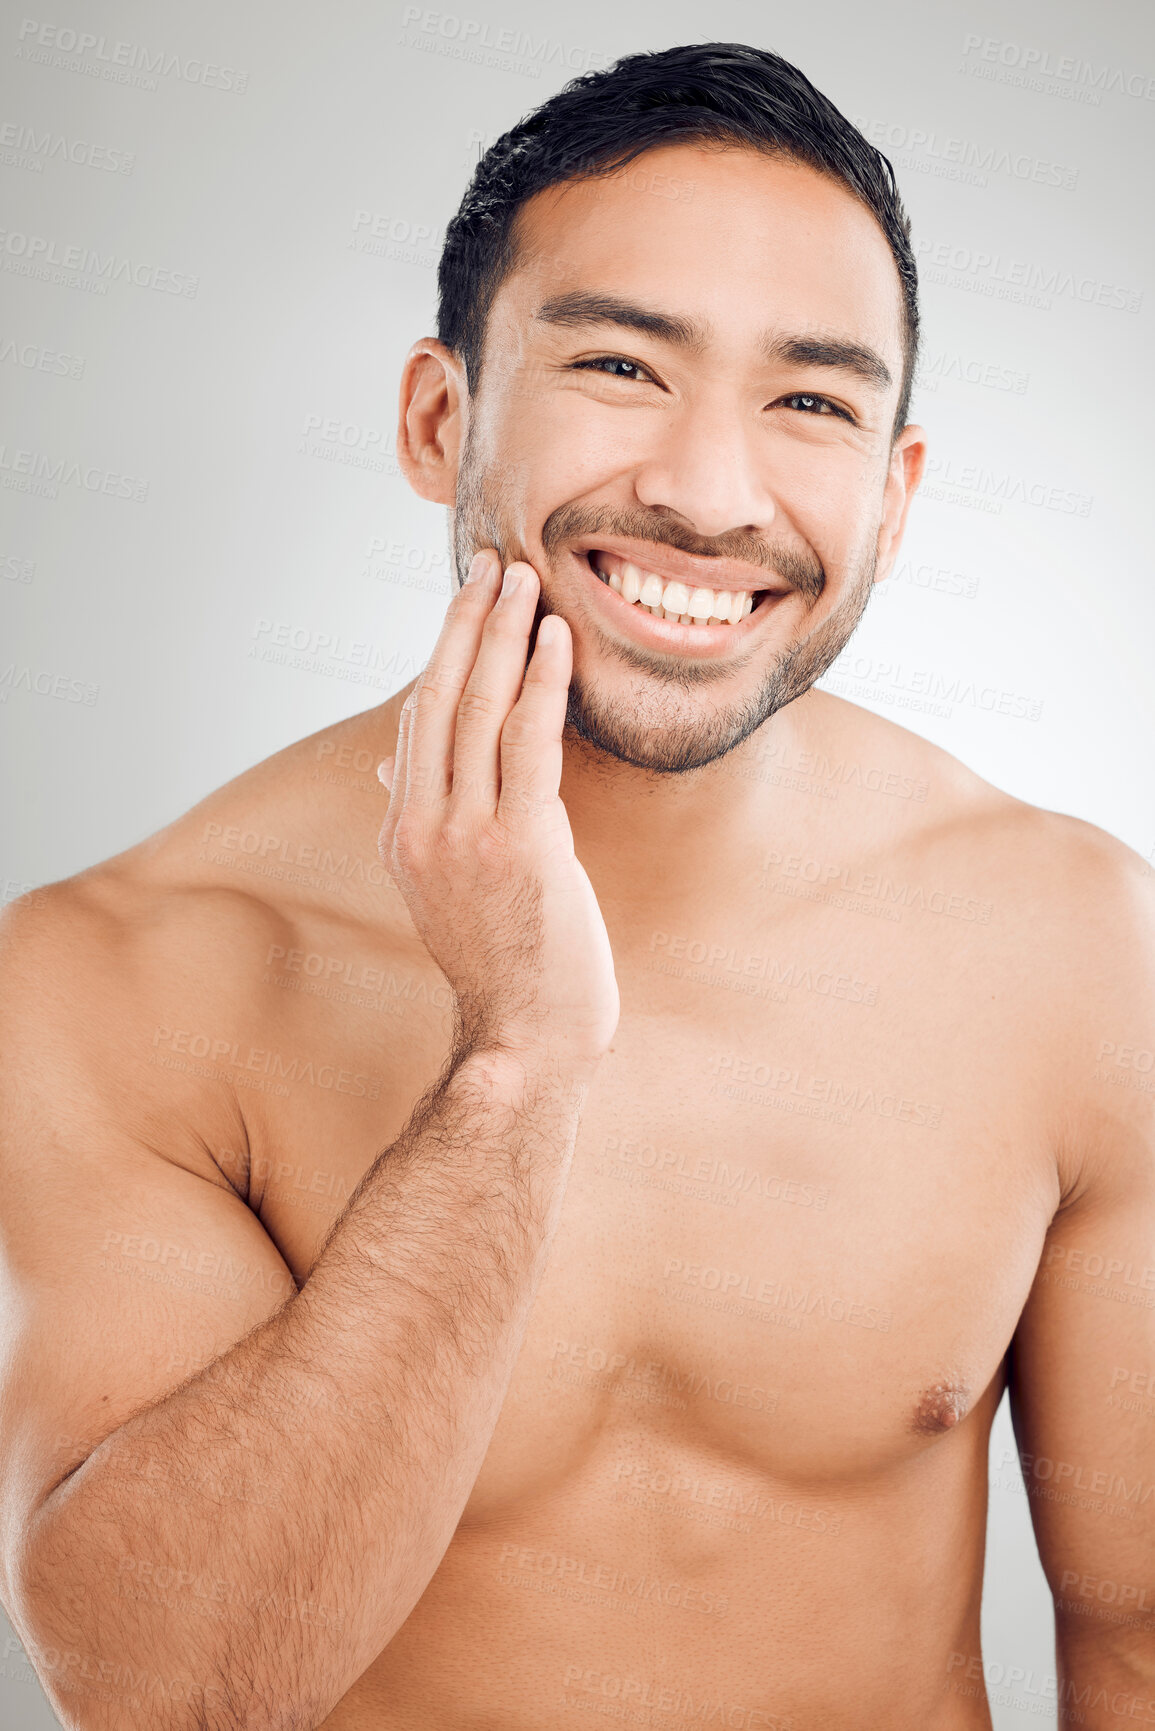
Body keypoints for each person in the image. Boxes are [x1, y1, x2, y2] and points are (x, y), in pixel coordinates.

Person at [1, 39, 1152, 1731]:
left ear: (896, 497)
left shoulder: (1072, 944)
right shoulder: (118, 976)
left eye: (813, 400)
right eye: (622, 364)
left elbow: (1136, 1638)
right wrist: (519, 1060)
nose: (706, 491)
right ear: (438, 417)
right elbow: (165, 1694)